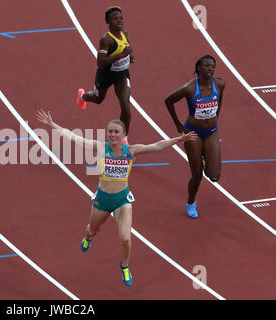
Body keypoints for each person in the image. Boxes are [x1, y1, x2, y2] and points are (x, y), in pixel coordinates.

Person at [36, 109, 197, 287]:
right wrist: (53, 125)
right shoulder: (100, 147)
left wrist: (179, 140)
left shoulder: (132, 151)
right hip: (103, 199)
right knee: (92, 230)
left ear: (124, 134)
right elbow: (74, 138)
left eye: (116, 131)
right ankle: (88, 237)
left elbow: (157, 146)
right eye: (110, 131)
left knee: (125, 238)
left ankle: (125, 266)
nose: (112, 134)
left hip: (122, 200)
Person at [164, 55, 225, 218]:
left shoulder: (219, 84)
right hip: (193, 133)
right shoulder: (189, 88)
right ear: (198, 68)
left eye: (212, 66)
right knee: (197, 175)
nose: (210, 69)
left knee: (214, 176)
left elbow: (220, 101)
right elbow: (168, 101)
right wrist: (177, 124)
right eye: (206, 66)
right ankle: (191, 202)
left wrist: (215, 117)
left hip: (211, 131)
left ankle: (205, 156)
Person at [76, 6, 135, 144]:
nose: (119, 21)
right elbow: (100, 62)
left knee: (125, 105)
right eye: (115, 19)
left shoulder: (124, 33)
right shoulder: (106, 39)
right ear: (108, 22)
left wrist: (130, 56)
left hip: (122, 75)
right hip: (106, 75)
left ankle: (124, 138)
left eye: (121, 18)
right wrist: (121, 55)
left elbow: (127, 47)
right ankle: (82, 96)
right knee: (98, 99)